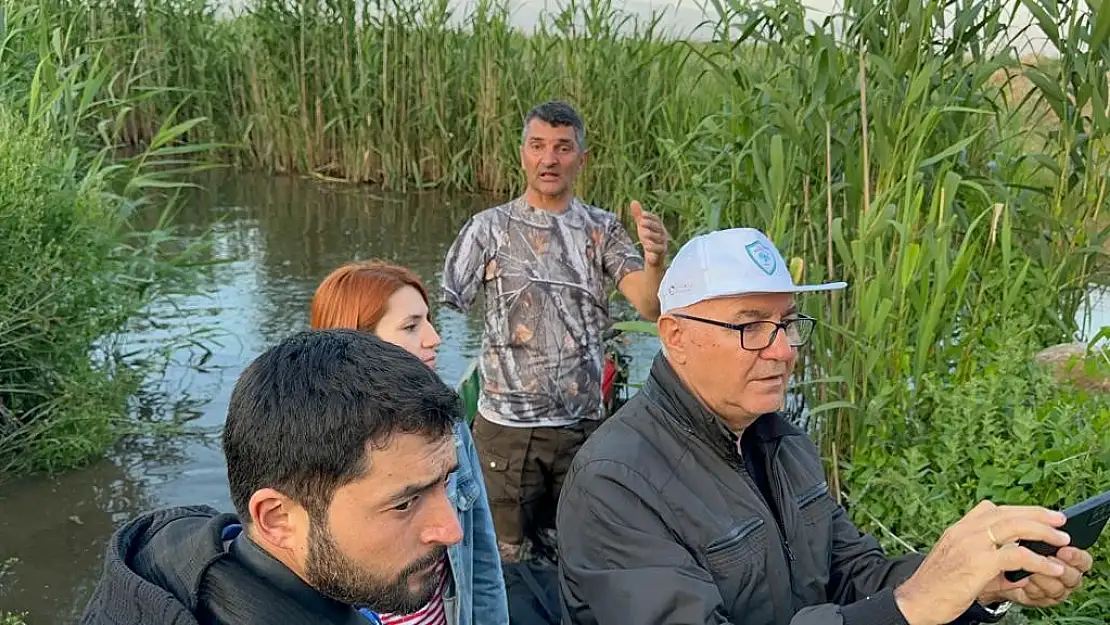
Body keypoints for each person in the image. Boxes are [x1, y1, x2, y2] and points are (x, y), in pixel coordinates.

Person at [555, 227, 1094, 625]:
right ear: (673, 335)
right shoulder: (615, 481)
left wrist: (975, 586)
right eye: (750, 326)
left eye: (787, 323)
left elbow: (852, 575)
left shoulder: (779, 440)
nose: (784, 350)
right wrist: (910, 606)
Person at [80, 329, 468, 624]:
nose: (451, 531)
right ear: (276, 518)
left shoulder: (187, 556)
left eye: (445, 482)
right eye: (404, 503)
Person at [440, 100, 669, 563]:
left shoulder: (601, 228)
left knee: (580, 556)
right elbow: (443, 310)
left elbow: (649, 305)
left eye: (563, 148)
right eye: (538, 146)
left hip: (581, 429)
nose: (550, 159)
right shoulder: (487, 228)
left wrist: (656, 260)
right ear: (522, 153)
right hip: (506, 433)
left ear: (581, 160)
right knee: (503, 563)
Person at [310, 260, 508, 625]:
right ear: (358, 342)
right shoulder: (309, 447)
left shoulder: (444, 424)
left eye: (428, 321)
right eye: (412, 326)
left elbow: (480, 553)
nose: (434, 338)